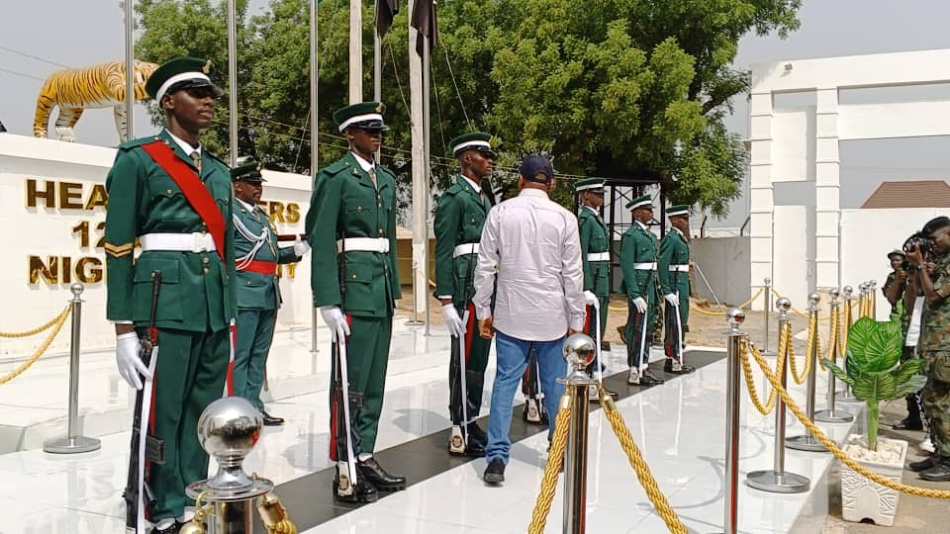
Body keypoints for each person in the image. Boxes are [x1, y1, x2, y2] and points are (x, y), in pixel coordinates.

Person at [104, 57, 232, 534]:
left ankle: (192, 497)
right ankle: (160, 508)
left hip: (211, 304)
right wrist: (123, 328)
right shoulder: (139, 159)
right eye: (197, 93)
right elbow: (118, 247)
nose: (208, 101)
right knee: (165, 410)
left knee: (203, 410)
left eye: (211, 94)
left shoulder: (217, 170)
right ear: (169, 102)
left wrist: (228, 309)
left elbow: (223, 245)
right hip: (164, 301)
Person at [305, 102, 405, 503]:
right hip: (353, 290)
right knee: (349, 383)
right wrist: (327, 299)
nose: (376, 137)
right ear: (350, 134)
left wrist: (393, 290)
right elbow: (321, 237)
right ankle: (344, 463)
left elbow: (388, 240)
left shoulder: (387, 180)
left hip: (380, 291)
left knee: (374, 381)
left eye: (379, 131)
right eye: (368, 130)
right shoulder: (335, 178)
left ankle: (364, 454)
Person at [474, 155, 585, 485]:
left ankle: (496, 457)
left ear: (521, 180)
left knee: (505, 383)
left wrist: (483, 310)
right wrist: (577, 318)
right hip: (552, 317)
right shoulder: (565, 218)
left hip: (511, 314)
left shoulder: (500, 212)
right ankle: (557, 449)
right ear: (551, 183)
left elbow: (485, 266)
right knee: (555, 385)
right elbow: (573, 274)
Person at [231, 158, 309, 426]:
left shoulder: (262, 217)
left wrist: (297, 250)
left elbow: (271, 256)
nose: (258, 188)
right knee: (242, 355)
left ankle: (255, 406)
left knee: (259, 355)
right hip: (245, 293)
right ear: (237, 186)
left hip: (268, 293)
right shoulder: (231, 214)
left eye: (259, 184)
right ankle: (239, 409)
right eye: (252, 183)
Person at [434, 132, 496, 457]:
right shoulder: (454, 198)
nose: (490, 161)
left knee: (479, 358)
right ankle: (459, 427)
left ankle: (471, 418)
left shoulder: (484, 198)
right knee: (463, 357)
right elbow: (444, 251)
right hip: (464, 289)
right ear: (467, 158)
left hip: (485, 288)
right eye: (484, 155)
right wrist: (446, 300)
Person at [906, 215, 950, 481]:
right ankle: (939, 452)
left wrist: (921, 265)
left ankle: (948, 460)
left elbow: (934, 297)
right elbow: (921, 293)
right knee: (931, 401)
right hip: (933, 345)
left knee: (943, 403)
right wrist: (921, 269)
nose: (933, 244)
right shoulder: (942, 262)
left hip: (945, 347)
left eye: (935, 239)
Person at [575, 178, 618, 400]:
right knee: (591, 333)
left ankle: (593, 379)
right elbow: (581, 254)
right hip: (593, 283)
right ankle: (588, 381)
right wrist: (586, 287)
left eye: (602, 194)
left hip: (601, 282)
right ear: (585, 196)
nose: (601, 197)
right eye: (597, 194)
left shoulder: (595, 218)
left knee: (598, 332)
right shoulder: (585, 220)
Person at [620, 195, 664, 386]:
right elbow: (627, 266)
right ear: (637, 213)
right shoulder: (631, 236)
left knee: (648, 326)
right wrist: (635, 294)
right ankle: (634, 368)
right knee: (637, 327)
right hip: (640, 286)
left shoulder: (650, 236)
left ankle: (644, 366)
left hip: (650, 286)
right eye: (647, 210)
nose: (651, 213)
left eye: (651, 210)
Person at [658, 204, 694, 374]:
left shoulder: (680, 238)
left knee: (681, 321)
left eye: (687, 218)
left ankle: (675, 357)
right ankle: (673, 359)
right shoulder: (671, 239)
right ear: (675, 220)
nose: (686, 222)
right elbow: (663, 265)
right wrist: (667, 291)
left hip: (682, 285)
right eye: (683, 219)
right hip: (675, 287)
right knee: (674, 323)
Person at [883, 249, 908, 314]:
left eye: (897, 260)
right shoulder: (891, 276)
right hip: (897, 312)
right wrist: (897, 281)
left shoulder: (911, 274)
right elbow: (890, 297)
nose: (894, 262)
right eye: (892, 260)